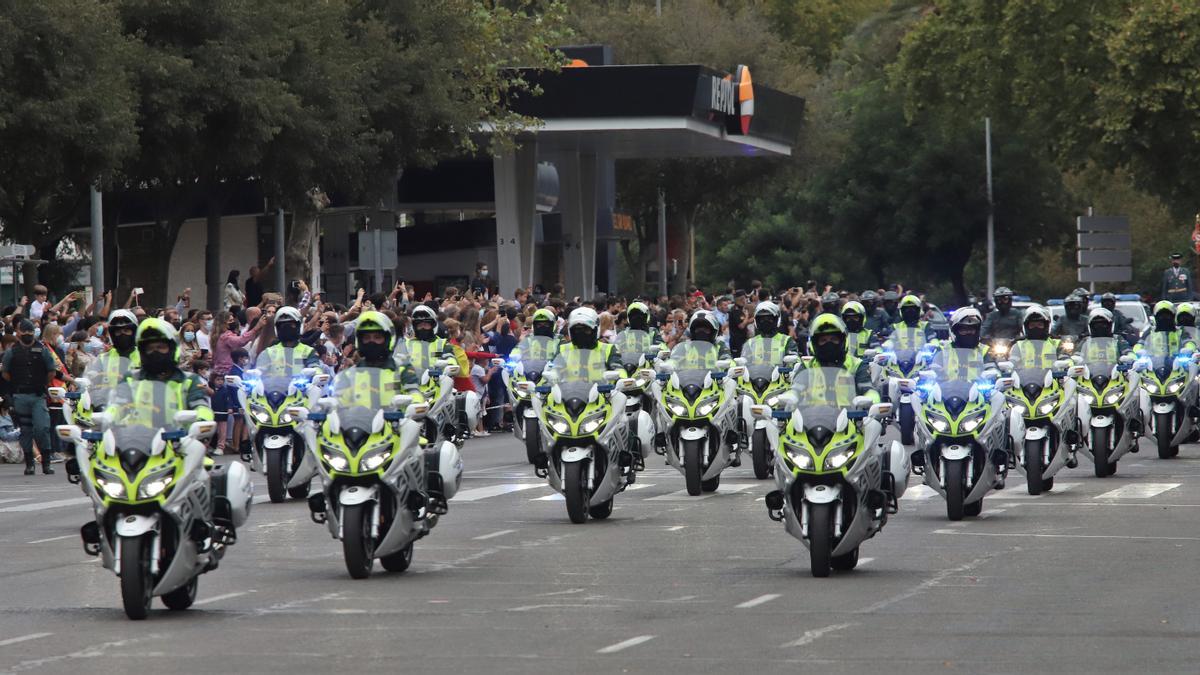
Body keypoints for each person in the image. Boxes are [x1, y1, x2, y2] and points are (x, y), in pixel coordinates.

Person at [1, 319, 57, 475]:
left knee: (42, 428)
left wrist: (40, 383)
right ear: (18, 333)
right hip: (20, 396)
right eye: (24, 332)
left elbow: (51, 371)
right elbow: (5, 372)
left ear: (34, 333)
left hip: (37, 395)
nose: (27, 335)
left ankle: (46, 462)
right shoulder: (12, 352)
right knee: (25, 430)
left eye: (30, 332)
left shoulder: (42, 350)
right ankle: (30, 463)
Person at [804, 314, 875, 397]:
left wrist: (871, 398)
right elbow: (795, 390)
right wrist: (790, 397)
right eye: (823, 340)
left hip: (849, 410)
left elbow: (867, 389)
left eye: (834, 339)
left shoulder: (857, 365)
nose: (829, 344)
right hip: (813, 409)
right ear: (815, 344)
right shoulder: (806, 367)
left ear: (843, 341)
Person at [256, 306, 320, 371]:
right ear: (276, 329)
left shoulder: (308, 351)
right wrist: (256, 373)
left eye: (291, 324)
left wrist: (314, 372)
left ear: (299, 327)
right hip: (276, 381)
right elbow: (260, 369)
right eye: (282, 325)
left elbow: (315, 367)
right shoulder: (269, 352)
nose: (287, 328)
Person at [405, 305, 455, 372]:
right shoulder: (407, 344)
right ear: (414, 327)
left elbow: (451, 359)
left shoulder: (441, 344)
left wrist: (448, 363)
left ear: (433, 325)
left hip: (436, 380)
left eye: (426, 324)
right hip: (412, 380)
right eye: (419, 325)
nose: (422, 327)